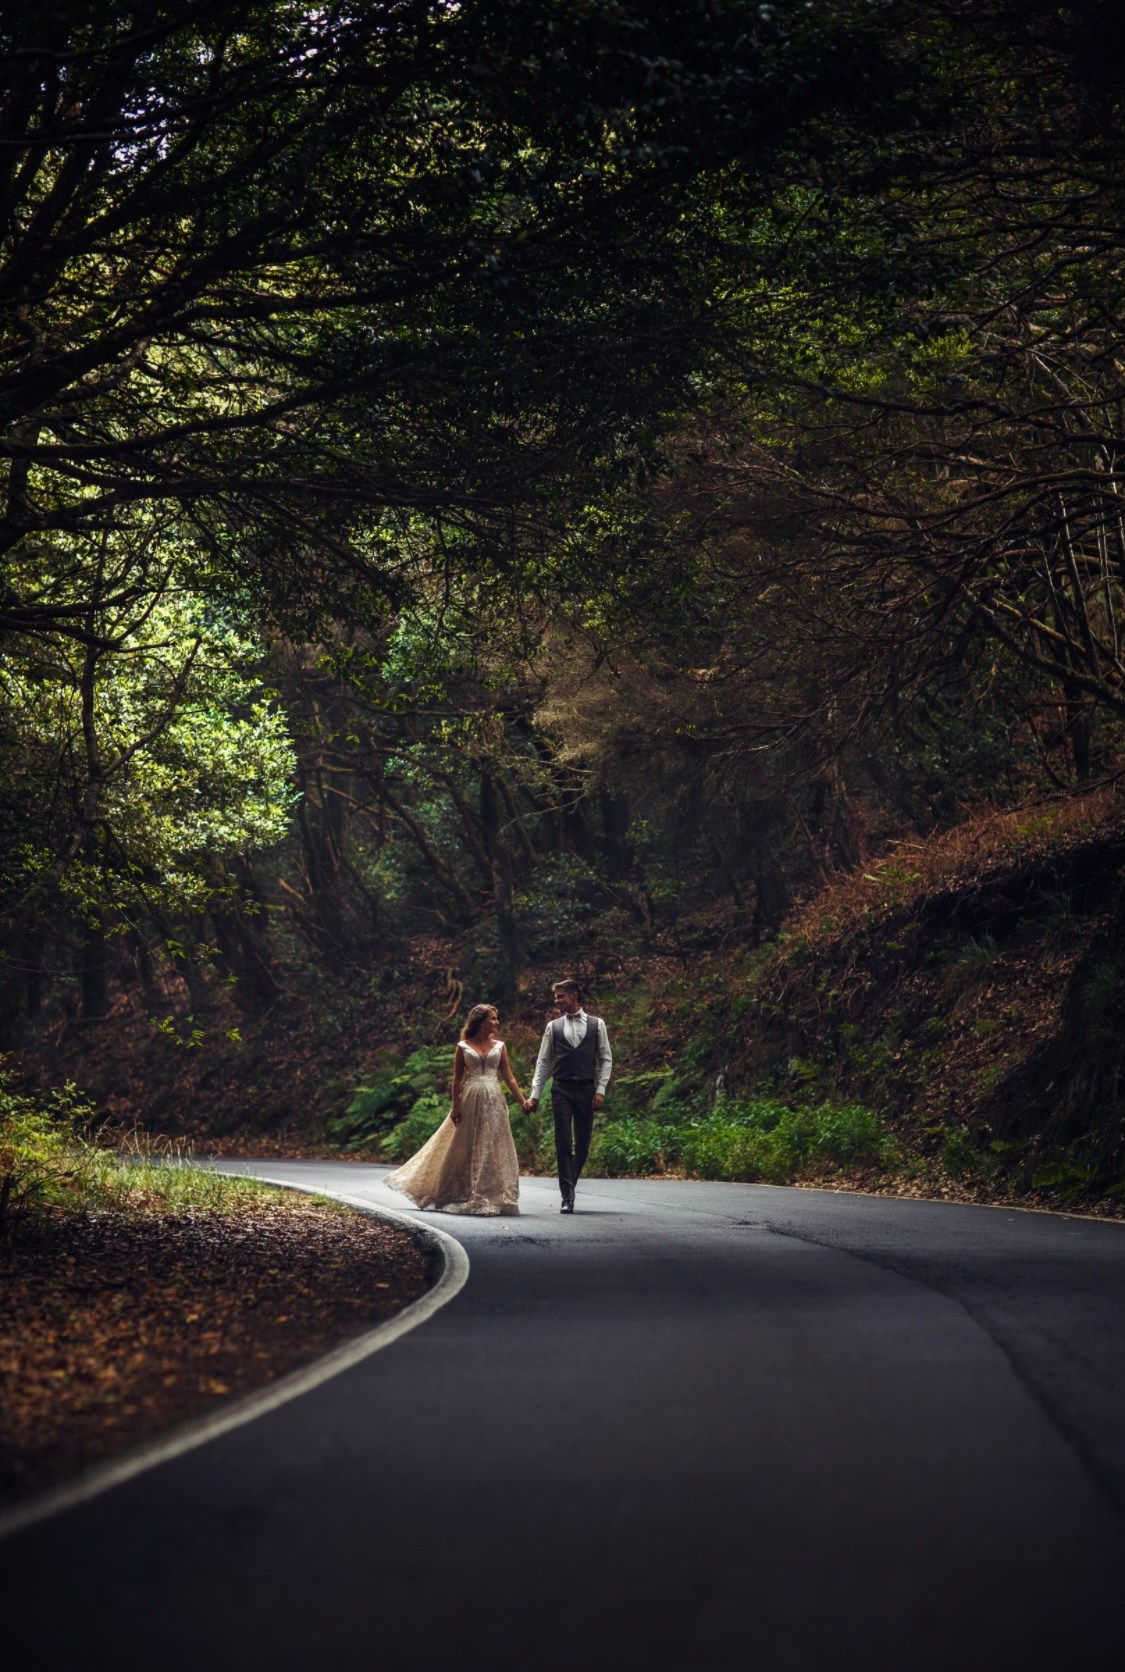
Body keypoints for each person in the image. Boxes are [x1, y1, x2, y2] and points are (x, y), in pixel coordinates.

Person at [384, 1004, 526, 1216]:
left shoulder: (500, 1046)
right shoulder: (463, 1046)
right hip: (470, 1099)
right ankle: (463, 1193)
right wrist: (455, 1106)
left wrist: (523, 1101)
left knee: (493, 1145)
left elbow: (509, 1077)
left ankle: (494, 1196)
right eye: (493, 1019)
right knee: (466, 1145)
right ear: (480, 1021)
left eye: (497, 1018)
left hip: (495, 1099)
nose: (497, 1022)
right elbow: (458, 1079)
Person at [527, 978, 612, 1214]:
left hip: (586, 1090)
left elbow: (606, 1059)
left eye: (560, 996)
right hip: (561, 1089)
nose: (557, 1001)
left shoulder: (598, 1025)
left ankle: (569, 1186)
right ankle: (567, 1197)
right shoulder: (552, 1027)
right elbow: (543, 1063)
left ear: (574, 995)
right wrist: (535, 1095)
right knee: (563, 1142)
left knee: (582, 1146)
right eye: (556, 997)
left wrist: (600, 1089)